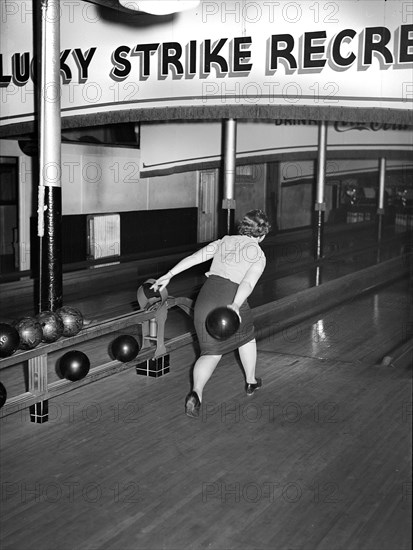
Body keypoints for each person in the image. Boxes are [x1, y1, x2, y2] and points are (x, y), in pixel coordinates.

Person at [151, 209, 270, 418]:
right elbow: (248, 282)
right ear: (262, 235)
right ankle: (251, 382)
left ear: (242, 228)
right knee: (247, 337)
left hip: (205, 297)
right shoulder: (258, 254)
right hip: (230, 296)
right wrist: (234, 305)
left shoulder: (224, 241)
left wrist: (169, 275)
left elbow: (195, 258)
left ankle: (196, 393)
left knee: (210, 353)